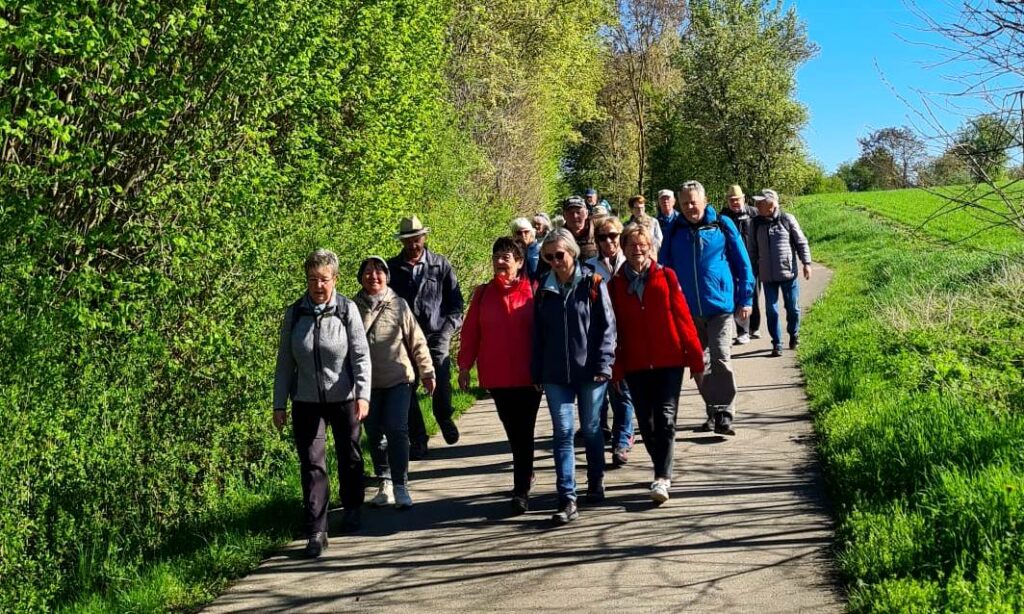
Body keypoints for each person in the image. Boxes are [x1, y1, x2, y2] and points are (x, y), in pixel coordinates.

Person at [273, 248, 372, 557]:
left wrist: (363, 395)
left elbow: (361, 356)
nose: (318, 285)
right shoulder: (295, 313)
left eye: (324, 279)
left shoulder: (347, 309)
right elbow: (284, 363)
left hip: (344, 398)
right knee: (312, 463)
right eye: (312, 279)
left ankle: (352, 507)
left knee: (349, 454)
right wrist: (279, 404)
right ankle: (317, 529)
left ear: (335, 279)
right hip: (306, 401)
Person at [610, 224, 705, 503]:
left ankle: (662, 477)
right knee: (647, 422)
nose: (637, 250)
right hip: (635, 363)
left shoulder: (666, 276)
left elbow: (682, 316)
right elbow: (612, 331)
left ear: (651, 247)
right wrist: (615, 369)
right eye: (632, 245)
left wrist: (695, 357)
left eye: (643, 245)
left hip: (669, 360)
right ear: (623, 248)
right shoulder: (615, 285)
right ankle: (660, 466)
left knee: (665, 418)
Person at [532, 228, 616, 525]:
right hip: (555, 374)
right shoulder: (544, 290)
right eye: (548, 257)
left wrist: (604, 365)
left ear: (572, 253)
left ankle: (596, 479)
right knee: (563, 432)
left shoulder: (593, 284)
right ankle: (567, 497)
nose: (555, 261)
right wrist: (537, 369)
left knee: (591, 428)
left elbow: (608, 328)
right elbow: (538, 335)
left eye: (559, 255)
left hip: (591, 372)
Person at [659, 180, 754, 436]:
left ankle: (725, 413)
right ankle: (712, 410)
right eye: (685, 203)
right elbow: (664, 268)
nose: (690, 207)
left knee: (720, 357)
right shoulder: (674, 230)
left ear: (705, 201)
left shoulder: (722, 225)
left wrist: (746, 299)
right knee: (698, 363)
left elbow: (743, 263)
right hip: (687, 310)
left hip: (720, 305)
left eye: (694, 202)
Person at [457, 238, 541, 515]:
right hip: (497, 376)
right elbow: (471, 332)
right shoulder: (483, 294)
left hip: (529, 376)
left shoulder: (534, 290)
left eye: (506, 256)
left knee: (524, 431)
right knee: (512, 430)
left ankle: (520, 490)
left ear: (519, 262)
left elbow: (546, 332)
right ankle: (525, 472)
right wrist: (464, 366)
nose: (500, 261)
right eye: (496, 256)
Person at [353, 256, 436, 510]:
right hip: (366, 385)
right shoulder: (352, 307)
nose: (373, 276)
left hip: (399, 379)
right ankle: (385, 483)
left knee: (397, 430)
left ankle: (401, 485)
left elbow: (417, 340)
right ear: (361, 278)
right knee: (375, 434)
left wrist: (427, 371)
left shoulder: (398, 305)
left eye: (379, 271)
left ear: (387, 277)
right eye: (368, 272)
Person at [387, 215, 464, 460]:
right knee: (406, 386)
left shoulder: (440, 265)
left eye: (416, 239)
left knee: (440, 374)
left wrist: (447, 330)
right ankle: (418, 439)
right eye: (408, 240)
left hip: (436, 333)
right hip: (404, 338)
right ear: (402, 242)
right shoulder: (391, 269)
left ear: (424, 237)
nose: (413, 244)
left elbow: (456, 305)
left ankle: (443, 416)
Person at [586, 217, 635, 466]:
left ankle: (622, 441)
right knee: (601, 392)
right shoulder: (589, 268)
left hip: (628, 335)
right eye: (602, 237)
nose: (608, 242)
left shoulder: (632, 262)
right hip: (600, 338)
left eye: (613, 236)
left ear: (621, 237)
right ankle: (603, 432)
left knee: (623, 392)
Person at [750, 189, 812, 357]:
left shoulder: (787, 219)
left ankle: (794, 333)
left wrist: (806, 263)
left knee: (793, 308)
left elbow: (801, 242)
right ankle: (777, 343)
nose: (756, 205)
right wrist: (751, 272)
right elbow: (752, 250)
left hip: (788, 274)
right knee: (771, 310)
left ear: (771, 204)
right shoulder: (755, 223)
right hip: (767, 276)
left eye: (760, 202)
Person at [718, 185, 761, 344]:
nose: (735, 202)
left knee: (754, 295)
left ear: (744, 199)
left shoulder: (754, 214)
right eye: (731, 200)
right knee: (737, 295)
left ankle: (754, 327)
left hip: (753, 262)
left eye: (737, 199)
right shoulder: (722, 218)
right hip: (733, 263)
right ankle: (742, 331)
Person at [562, 195, 598, 260]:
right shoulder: (558, 237)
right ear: (564, 215)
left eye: (578, 212)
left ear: (586, 213)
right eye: (570, 213)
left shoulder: (599, 234)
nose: (575, 216)